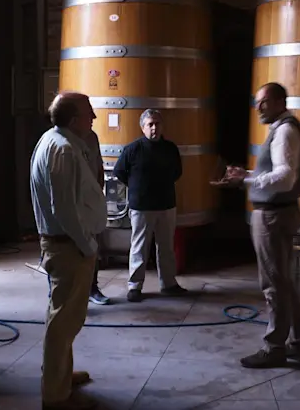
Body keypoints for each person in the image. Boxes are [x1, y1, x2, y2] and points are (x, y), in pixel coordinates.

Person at [223, 82, 300, 369]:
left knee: (273, 284)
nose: (258, 108)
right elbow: (275, 172)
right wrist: (248, 174)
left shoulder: (285, 130)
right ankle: (299, 344)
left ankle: (274, 347)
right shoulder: (284, 127)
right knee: (284, 282)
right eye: (256, 102)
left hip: (273, 216)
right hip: (280, 213)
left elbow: (285, 176)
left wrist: (247, 180)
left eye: (263, 102)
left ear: (278, 102)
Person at [30, 92, 107, 410]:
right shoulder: (61, 148)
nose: (94, 119)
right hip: (69, 245)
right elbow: (63, 208)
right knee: (63, 321)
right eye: (89, 113)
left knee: (65, 317)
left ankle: (60, 375)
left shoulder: (58, 140)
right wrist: (87, 244)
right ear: (74, 119)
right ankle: (56, 396)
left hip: (68, 243)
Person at [113, 108, 186, 303]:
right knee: (139, 247)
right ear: (143, 127)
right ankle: (135, 286)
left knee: (166, 247)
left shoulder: (170, 148)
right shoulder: (133, 149)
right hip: (141, 207)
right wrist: (137, 187)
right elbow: (119, 171)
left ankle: (169, 284)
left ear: (162, 126)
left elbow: (178, 172)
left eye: (157, 123)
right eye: (150, 124)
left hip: (166, 205)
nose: (154, 127)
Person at [84, 129, 110, 305]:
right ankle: (58, 293)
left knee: (93, 247)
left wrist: (99, 187)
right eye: (88, 113)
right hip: (72, 202)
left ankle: (92, 288)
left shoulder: (91, 136)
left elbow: (98, 164)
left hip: (91, 202)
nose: (93, 116)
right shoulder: (60, 142)